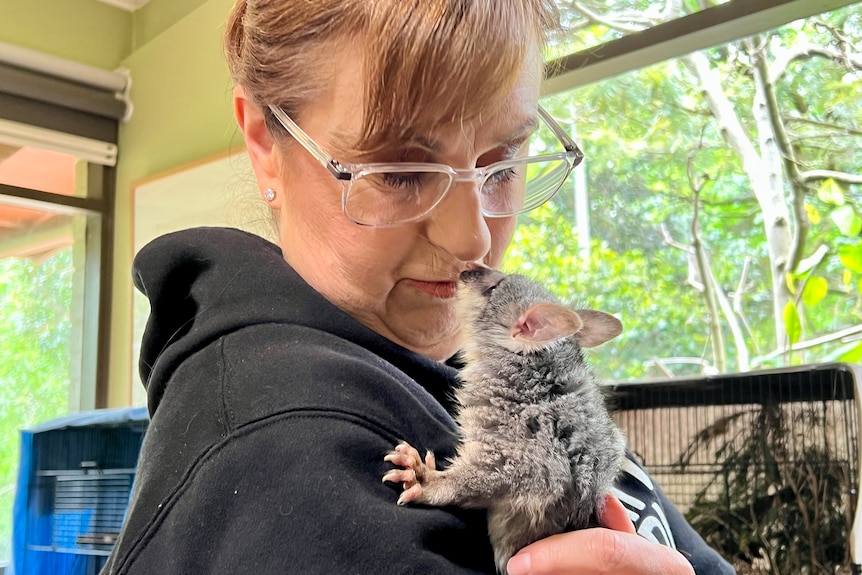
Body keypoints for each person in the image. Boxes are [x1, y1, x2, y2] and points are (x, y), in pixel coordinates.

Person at [102, 1, 736, 573]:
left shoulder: (478, 363)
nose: (473, 242)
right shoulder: (286, 456)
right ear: (268, 141)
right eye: (400, 171)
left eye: (505, 162)